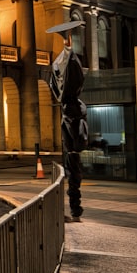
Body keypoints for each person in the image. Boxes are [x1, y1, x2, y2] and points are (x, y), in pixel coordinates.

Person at [48, 20, 88, 222]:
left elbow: (78, 141)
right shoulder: (68, 109)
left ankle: (75, 209)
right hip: (71, 143)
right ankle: (75, 209)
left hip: (73, 152)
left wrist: (68, 45)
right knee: (71, 166)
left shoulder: (74, 110)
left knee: (73, 169)